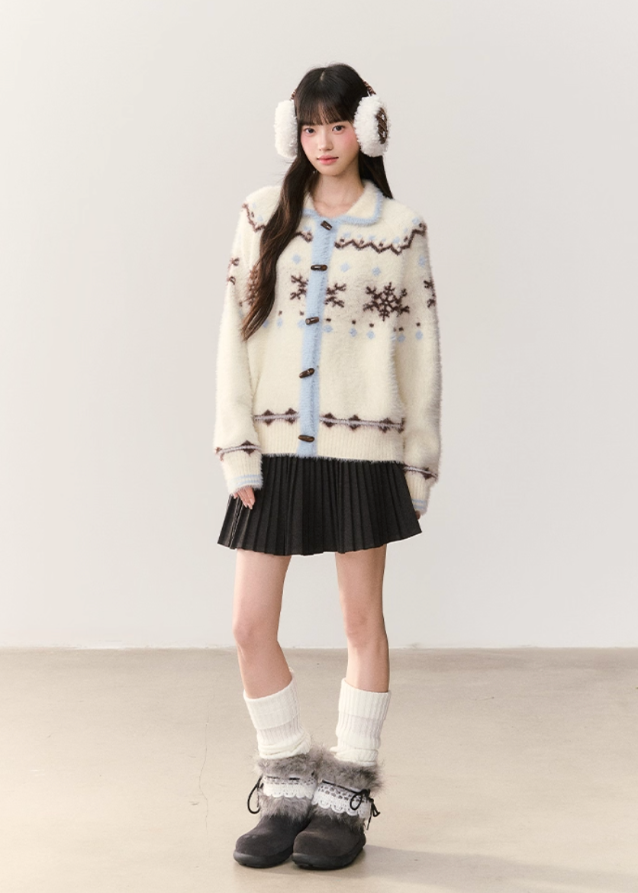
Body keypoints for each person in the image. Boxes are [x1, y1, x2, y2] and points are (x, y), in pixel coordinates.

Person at [212, 62, 442, 871]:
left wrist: (418, 461)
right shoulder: (261, 214)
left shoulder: (400, 229)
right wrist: (236, 444)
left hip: (363, 450)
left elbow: (420, 349)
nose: (324, 141)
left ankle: (345, 797)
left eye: (338, 124)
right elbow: (233, 334)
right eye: (310, 127)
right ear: (293, 132)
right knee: (249, 625)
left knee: (360, 623)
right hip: (274, 450)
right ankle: (286, 784)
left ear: (368, 127)